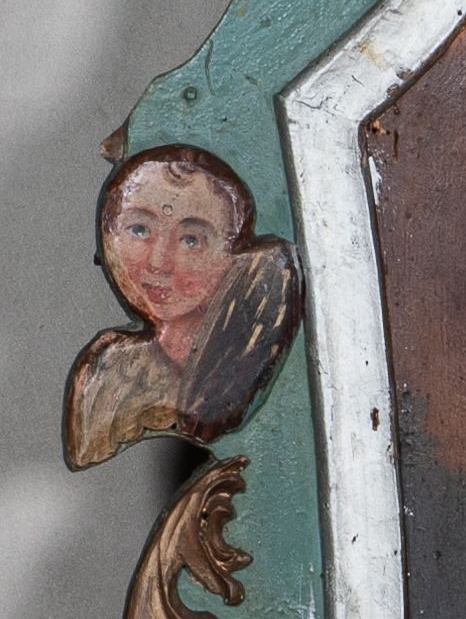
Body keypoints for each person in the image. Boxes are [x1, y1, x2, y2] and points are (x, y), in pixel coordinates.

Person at [64, 146, 301, 470]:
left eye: (191, 240)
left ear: (232, 255)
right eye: (139, 230)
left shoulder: (240, 362)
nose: (158, 262)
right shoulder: (107, 370)